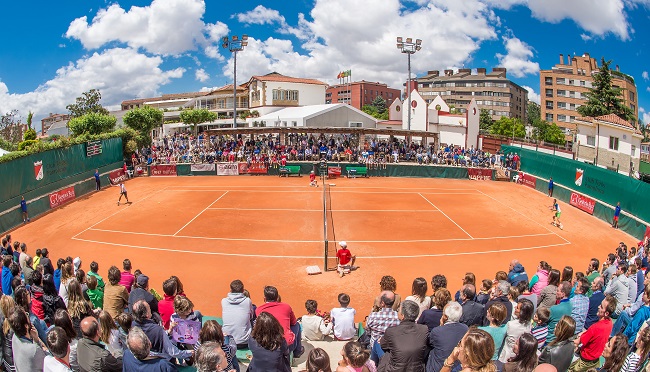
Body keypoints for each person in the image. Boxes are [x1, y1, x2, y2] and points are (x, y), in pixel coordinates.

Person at [568, 295, 616, 371]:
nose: (598, 307)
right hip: (595, 359)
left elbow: (578, 341)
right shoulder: (610, 323)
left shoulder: (595, 327)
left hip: (585, 359)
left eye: (601, 307)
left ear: (606, 313)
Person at [378, 300, 429, 372]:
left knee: (376, 344)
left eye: (399, 310)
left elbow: (383, 346)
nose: (397, 312)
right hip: (417, 369)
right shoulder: (424, 329)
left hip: (395, 369)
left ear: (403, 316)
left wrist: (382, 340)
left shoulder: (391, 331)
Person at [255, 285, 304, 358]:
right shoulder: (286, 307)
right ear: (277, 297)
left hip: (267, 346)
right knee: (297, 325)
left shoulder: (259, 310)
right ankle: (297, 352)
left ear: (265, 299)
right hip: (287, 346)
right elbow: (293, 322)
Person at [366, 291, 400, 364]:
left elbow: (368, 332)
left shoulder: (373, 316)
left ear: (382, 303)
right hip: (393, 348)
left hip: (374, 349)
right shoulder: (398, 317)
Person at [9, 307, 47, 372]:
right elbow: (48, 360)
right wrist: (37, 339)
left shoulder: (14, 337)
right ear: (26, 326)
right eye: (26, 315)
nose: (28, 315)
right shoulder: (33, 350)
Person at [221, 279, 254, 348]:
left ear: (231, 290)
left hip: (227, 341)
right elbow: (251, 316)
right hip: (243, 342)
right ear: (242, 290)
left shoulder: (223, 301)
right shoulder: (247, 301)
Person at [499, 298, 534, 363]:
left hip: (506, 356)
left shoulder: (510, 324)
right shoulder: (529, 325)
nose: (515, 307)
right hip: (519, 358)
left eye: (517, 308)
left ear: (522, 312)